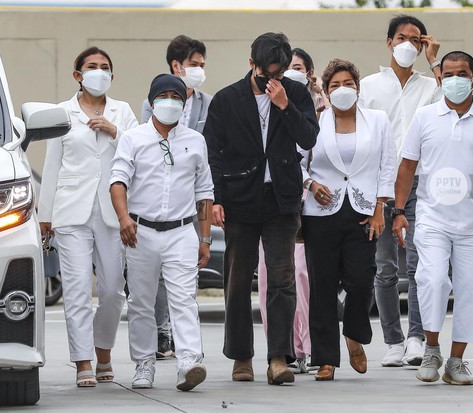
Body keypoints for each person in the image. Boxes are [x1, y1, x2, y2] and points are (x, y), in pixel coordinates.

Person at [393, 51, 473, 385]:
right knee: (431, 280)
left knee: (472, 291)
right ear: (440, 78)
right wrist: (399, 211)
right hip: (432, 219)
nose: (455, 80)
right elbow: (407, 165)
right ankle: (432, 349)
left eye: (462, 74)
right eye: (448, 74)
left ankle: (456, 361)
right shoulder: (424, 117)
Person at [204, 32, 319, 385]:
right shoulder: (227, 100)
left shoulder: (295, 94)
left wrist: (285, 104)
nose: (273, 80)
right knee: (238, 279)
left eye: (279, 74)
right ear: (252, 64)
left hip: (282, 199)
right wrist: (216, 199)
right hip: (240, 198)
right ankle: (241, 356)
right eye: (267, 72)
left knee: (282, 280)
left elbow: (310, 138)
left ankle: (278, 357)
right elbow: (213, 153)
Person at [38, 47, 138, 387]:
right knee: (78, 289)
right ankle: (83, 361)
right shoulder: (61, 113)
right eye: (92, 67)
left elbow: (140, 152)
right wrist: (44, 215)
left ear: (112, 75)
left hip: (113, 211)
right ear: (78, 75)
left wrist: (114, 131)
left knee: (112, 289)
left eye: (105, 67)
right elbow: (52, 165)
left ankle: (104, 353)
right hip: (70, 212)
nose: (99, 72)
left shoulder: (122, 112)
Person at [110, 74, 214, 391]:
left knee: (183, 298)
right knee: (141, 301)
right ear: (153, 100)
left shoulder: (195, 140)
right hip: (140, 231)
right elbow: (117, 182)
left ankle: (188, 363)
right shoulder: (133, 138)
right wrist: (124, 218)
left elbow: (204, 193)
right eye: (164, 95)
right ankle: (144, 364)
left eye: (176, 96)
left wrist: (205, 237)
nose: (170, 101)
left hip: (181, 231)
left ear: (184, 103)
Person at [301, 58, 395, 381]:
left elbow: (387, 164)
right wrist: (311, 184)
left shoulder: (378, 121)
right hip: (321, 214)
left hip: (363, 212)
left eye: (348, 84)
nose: (343, 90)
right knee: (322, 286)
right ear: (326, 91)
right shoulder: (315, 121)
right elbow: (297, 162)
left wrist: (380, 207)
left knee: (361, 280)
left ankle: (354, 335)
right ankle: (325, 358)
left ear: (358, 87)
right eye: (335, 85)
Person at [359, 14, 443, 367]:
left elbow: (459, 103)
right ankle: (393, 340)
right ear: (389, 42)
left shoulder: (430, 86)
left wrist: (435, 61)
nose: (409, 44)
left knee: (420, 266)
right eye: (402, 38)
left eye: (416, 39)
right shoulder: (369, 85)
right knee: (385, 268)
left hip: (420, 186)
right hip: (381, 187)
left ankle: (416, 337)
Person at [141, 35, 213, 361]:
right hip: (157, 201)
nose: (199, 70)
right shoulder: (152, 102)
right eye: (193, 64)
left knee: (184, 282)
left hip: (192, 197)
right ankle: (160, 330)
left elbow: (208, 157)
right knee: (155, 277)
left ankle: (189, 354)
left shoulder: (208, 104)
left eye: (201, 65)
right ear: (176, 65)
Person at [256, 47, 324, 374]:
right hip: (283, 201)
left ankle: (307, 347)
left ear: (308, 73)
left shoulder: (317, 107)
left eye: (297, 66)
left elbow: (315, 150)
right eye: (286, 66)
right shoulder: (266, 106)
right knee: (274, 276)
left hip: (315, 206)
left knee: (302, 277)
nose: (289, 71)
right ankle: (281, 350)